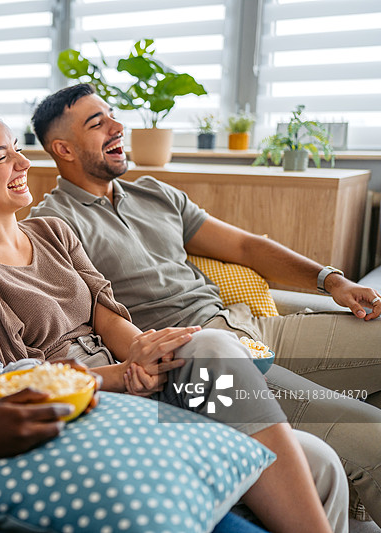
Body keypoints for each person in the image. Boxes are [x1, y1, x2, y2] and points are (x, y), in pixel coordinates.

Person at [0, 90, 349, 533]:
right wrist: (122, 374)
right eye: (2, 158)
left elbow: (106, 313)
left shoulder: (51, 231)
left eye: (19, 151)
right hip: (88, 402)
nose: (23, 164)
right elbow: (16, 375)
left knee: (322, 463)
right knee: (216, 346)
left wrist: (142, 350)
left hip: (135, 377)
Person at [27, 81, 381, 525]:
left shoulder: (154, 192)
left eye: (112, 114)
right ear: (64, 148)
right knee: (370, 435)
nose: (118, 126)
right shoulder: (53, 224)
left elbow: (248, 248)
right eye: (97, 123)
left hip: (249, 325)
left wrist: (331, 280)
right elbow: (77, 327)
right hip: (203, 357)